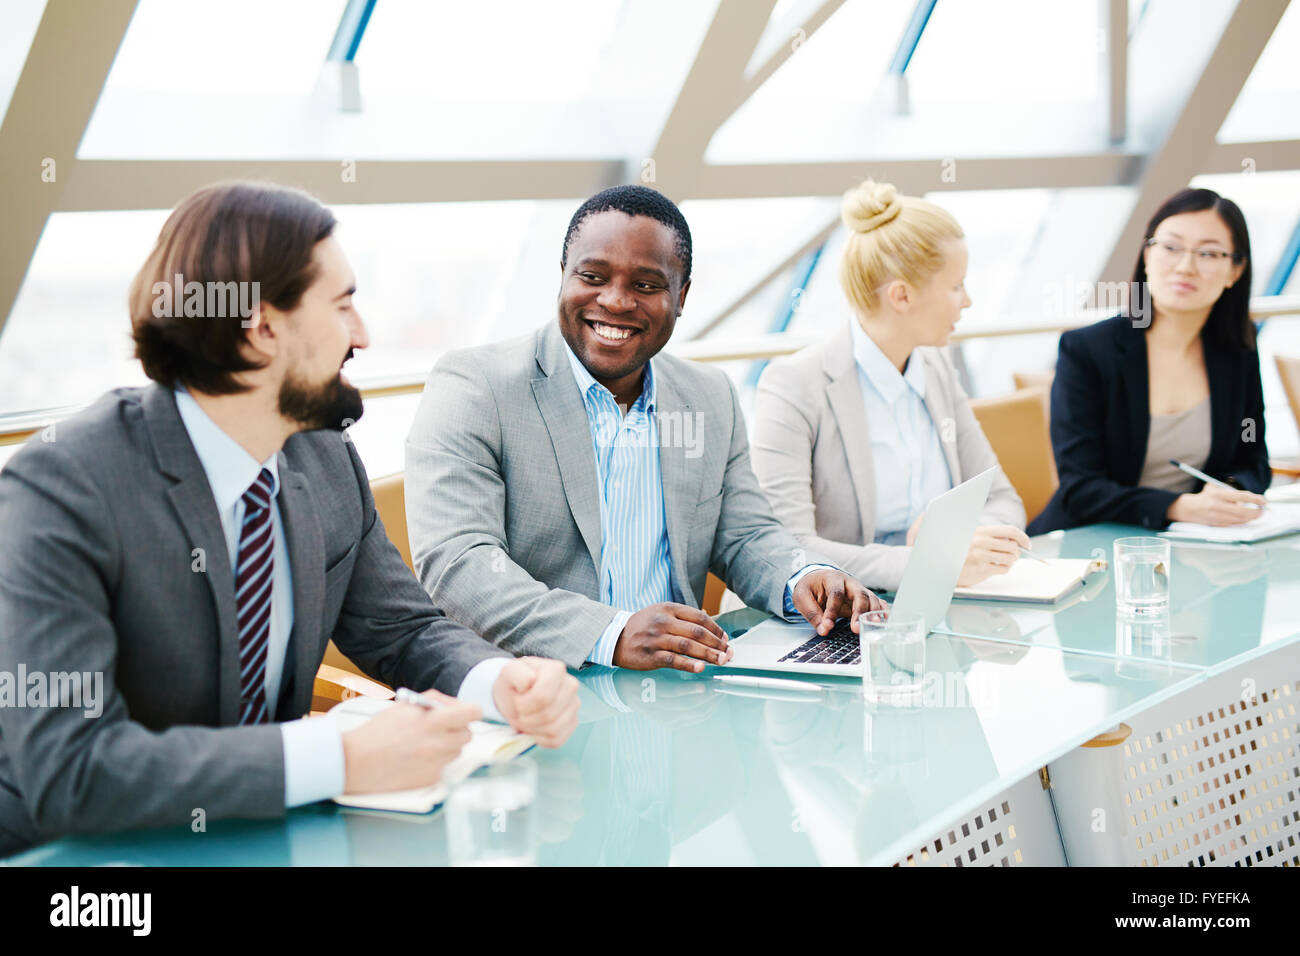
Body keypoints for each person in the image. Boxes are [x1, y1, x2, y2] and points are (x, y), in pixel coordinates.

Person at [0, 182, 579, 856]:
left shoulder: (324, 456)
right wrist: (340, 757)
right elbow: (71, 769)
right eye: (342, 306)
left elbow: (402, 629)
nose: (361, 334)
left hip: (261, 839)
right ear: (263, 327)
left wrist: (498, 683)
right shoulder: (62, 488)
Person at [405, 185, 883, 673]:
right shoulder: (475, 387)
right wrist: (611, 635)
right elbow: (459, 564)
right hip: (537, 696)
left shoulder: (709, 396)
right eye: (592, 276)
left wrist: (803, 576)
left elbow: (745, 534)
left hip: (681, 692)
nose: (614, 301)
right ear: (563, 278)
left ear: (682, 296)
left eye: (647, 286)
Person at [751, 180, 1026, 592]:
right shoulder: (793, 386)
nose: (966, 301)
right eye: (955, 286)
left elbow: (1002, 499)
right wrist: (929, 561)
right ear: (901, 296)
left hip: (939, 602)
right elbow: (787, 547)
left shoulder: (936, 369)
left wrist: (963, 539)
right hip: (845, 619)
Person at [1029, 187, 1269, 533]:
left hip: (1192, 545)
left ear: (1235, 270)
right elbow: (1081, 488)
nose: (1186, 267)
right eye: (1171, 248)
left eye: (1209, 253)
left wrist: (1228, 492)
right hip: (1088, 542)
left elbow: (1253, 459)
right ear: (1147, 255)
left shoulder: (1237, 349)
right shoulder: (1087, 350)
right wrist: (1178, 507)